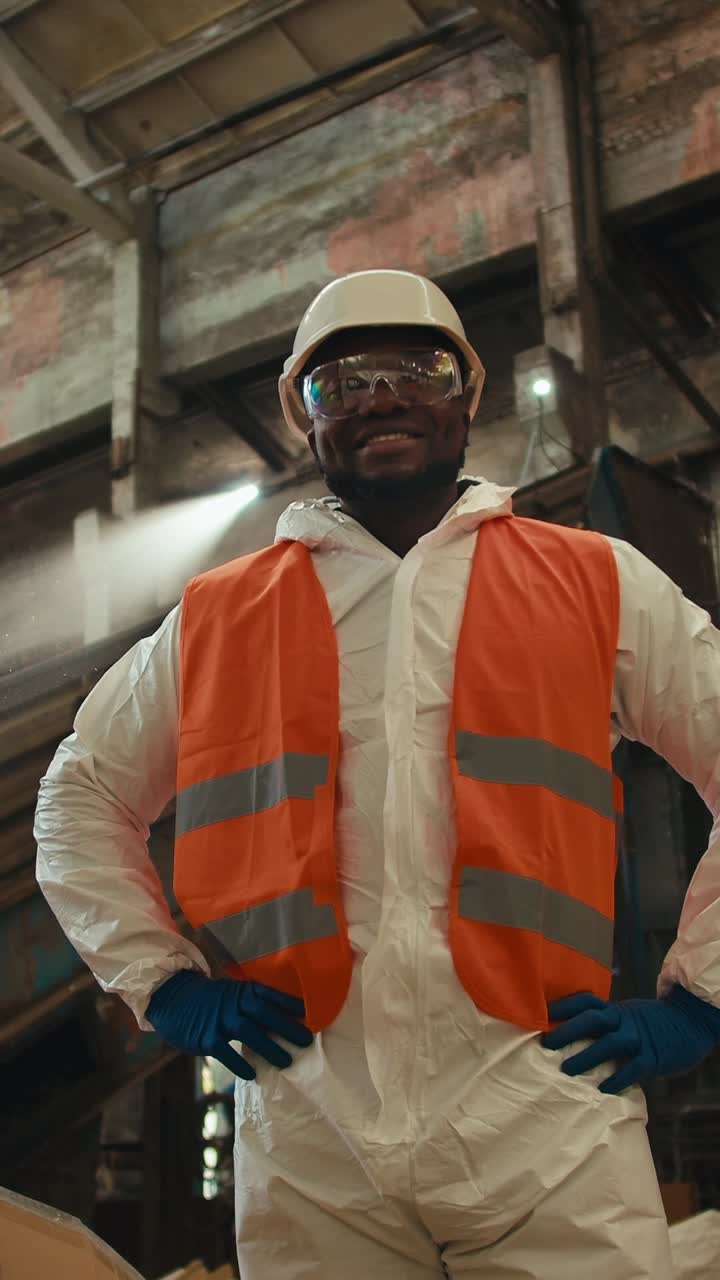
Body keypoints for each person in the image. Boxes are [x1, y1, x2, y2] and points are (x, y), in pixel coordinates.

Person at [35, 270, 720, 1279]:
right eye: (341, 383)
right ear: (304, 420)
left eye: (417, 368)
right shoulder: (220, 618)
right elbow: (80, 794)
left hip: (539, 1108)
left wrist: (703, 993)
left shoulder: (596, 579)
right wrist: (164, 981)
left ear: (465, 397)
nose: (382, 396)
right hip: (313, 1126)